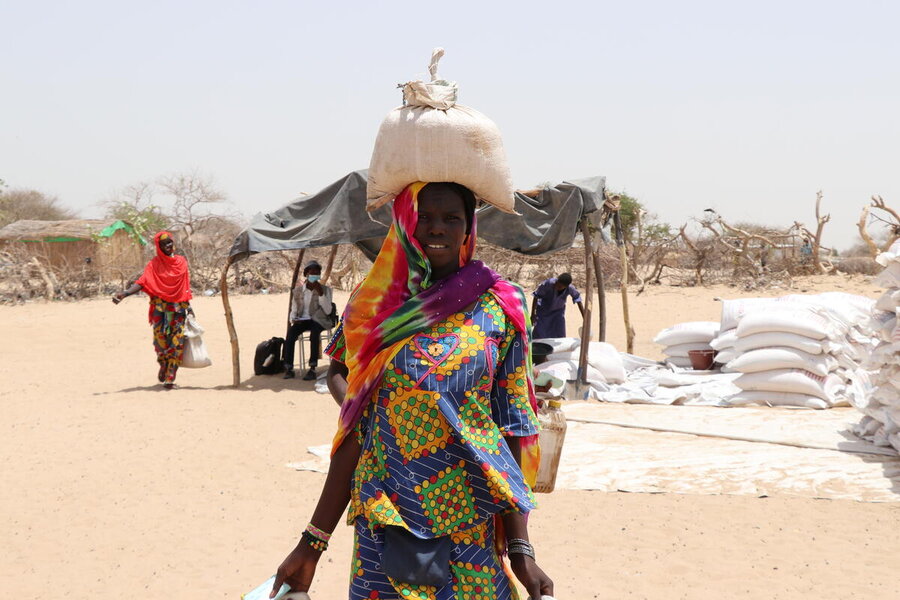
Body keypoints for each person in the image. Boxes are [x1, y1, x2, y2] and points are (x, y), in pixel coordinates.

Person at [270, 182, 553, 600]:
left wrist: (520, 547)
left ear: (469, 227)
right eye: (423, 217)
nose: (436, 228)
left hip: (471, 513)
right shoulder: (374, 303)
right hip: (387, 513)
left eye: (451, 218)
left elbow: (512, 424)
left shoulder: (501, 305)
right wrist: (311, 544)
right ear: (403, 224)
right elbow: (347, 395)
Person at [112, 231, 193, 389]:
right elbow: (142, 282)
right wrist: (125, 293)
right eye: (164, 244)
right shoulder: (154, 264)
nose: (168, 246)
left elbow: (184, 288)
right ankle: (163, 364)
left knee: (177, 343)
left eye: (169, 242)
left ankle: (170, 378)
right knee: (160, 343)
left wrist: (189, 307)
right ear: (159, 247)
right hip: (159, 310)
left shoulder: (181, 262)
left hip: (177, 310)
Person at [283, 260, 333, 380]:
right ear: (306, 274)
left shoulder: (325, 290)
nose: (315, 274)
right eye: (312, 272)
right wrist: (293, 319)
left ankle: (312, 368)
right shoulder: (298, 291)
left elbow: (328, 311)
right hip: (303, 320)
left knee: (315, 333)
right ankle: (289, 368)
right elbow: (294, 309)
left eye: (317, 272)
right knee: (291, 334)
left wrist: (321, 294)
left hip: (319, 320)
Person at [530, 272, 584, 339]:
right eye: (556, 284)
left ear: (566, 287)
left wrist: (584, 317)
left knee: (559, 335)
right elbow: (536, 296)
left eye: (559, 287)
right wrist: (533, 314)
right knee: (540, 334)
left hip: (558, 313)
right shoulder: (548, 283)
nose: (556, 287)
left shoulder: (570, 288)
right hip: (543, 312)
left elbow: (578, 299)